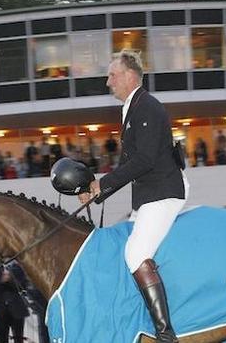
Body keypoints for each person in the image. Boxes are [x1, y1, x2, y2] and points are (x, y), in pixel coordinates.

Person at [78, 50, 188, 343]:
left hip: (163, 192)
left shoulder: (147, 107)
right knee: (124, 248)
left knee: (135, 253)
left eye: (112, 75)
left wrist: (103, 186)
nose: (107, 81)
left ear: (129, 76)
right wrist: (96, 193)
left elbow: (145, 160)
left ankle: (166, 334)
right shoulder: (132, 107)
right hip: (148, 195)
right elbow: (130, 165)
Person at [0, 265, 29, 343]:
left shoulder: (17, 268)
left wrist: (10, 280)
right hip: (1, 310)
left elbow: (23, 286)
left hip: (17, 309)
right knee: (2, 338)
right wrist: (2, 281)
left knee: (19, 338)